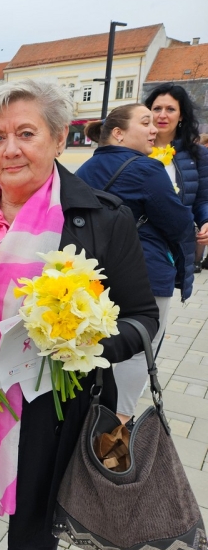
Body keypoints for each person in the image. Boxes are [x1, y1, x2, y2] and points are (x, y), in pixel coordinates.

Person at [0, 80, 158, 550]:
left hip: (48, 412)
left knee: (34, 523)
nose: (10, 149)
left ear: (59, 138)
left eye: (26, 133)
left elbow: (141, 318)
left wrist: (82, 343)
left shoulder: (100, 219)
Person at [76, 105, 193, 423]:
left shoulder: (84, 170)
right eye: (145, 122)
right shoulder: (146, 169)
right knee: (141, 345)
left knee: (98, 344)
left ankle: (91, 413)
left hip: (93, 274)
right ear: (118, 133)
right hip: (145, 272)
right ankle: (119, 423)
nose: (155, 129)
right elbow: (179, 224)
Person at [144, 83, 208, 272]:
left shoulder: (198, 154)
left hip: (176, 244)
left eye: (170, 109)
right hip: (137, 241)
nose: (162, 115)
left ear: (181, 115)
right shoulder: (135, 150)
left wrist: (206, 220)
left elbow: (202, 200)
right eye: (157, 109)